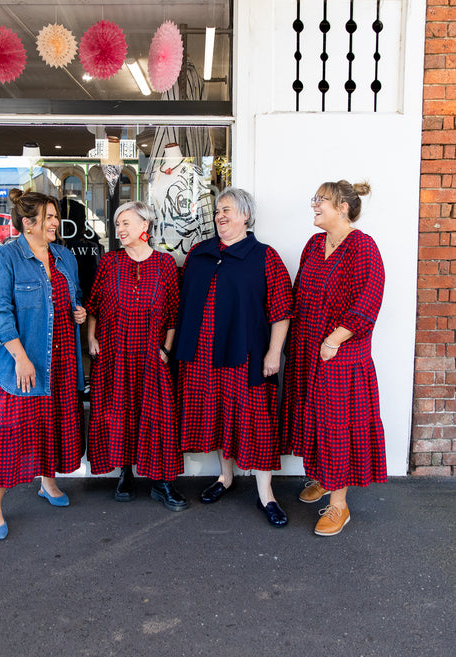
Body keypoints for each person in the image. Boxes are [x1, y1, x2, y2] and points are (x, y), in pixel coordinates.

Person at [175, 188, 293, 527]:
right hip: (202, 357)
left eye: (227, 210)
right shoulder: (200, 253)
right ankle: (225, 478)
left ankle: (266, 494)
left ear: (246, 215)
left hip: (245, 355)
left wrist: (273, 352)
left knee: (255, 420)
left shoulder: (264, 256)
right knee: (216, 415)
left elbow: (282, 310)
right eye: (216, 211)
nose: (219, 216)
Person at [280, 180, 386, 536]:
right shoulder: (314, 244)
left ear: (342, 207)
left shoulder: (363, 246)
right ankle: (324, 479)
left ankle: (339, 505)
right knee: (313, 418)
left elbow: (368, 302)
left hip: (340, 355)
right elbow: (299, 293)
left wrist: (334, 339)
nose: (314, 205)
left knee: (336, 426)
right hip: (308, 349)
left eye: (320, 200)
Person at [0, 189, 86, 540]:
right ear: (28, 223)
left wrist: (79, 313)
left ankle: (48, 483)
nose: (57, 222)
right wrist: (21, 359)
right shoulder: (3, 259)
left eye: (56, 216)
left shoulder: (64, 257)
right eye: (50, 217)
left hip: (60, 360)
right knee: (9, 435)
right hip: (22, 362)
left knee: (52, 425)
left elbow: (70, 300)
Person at [86, 200, 188, 511]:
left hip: (151, 353)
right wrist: (91, 337)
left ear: (145, 226)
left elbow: (173, 312)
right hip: (114, 351)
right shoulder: (109, 263)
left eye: (126, 223)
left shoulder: (165, 264)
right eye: (117, 224)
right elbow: (95, 305)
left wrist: (166, 349)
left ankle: (161, 481)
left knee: (157, 414)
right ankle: (125, 473)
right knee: (119, 412)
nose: (120, 229)